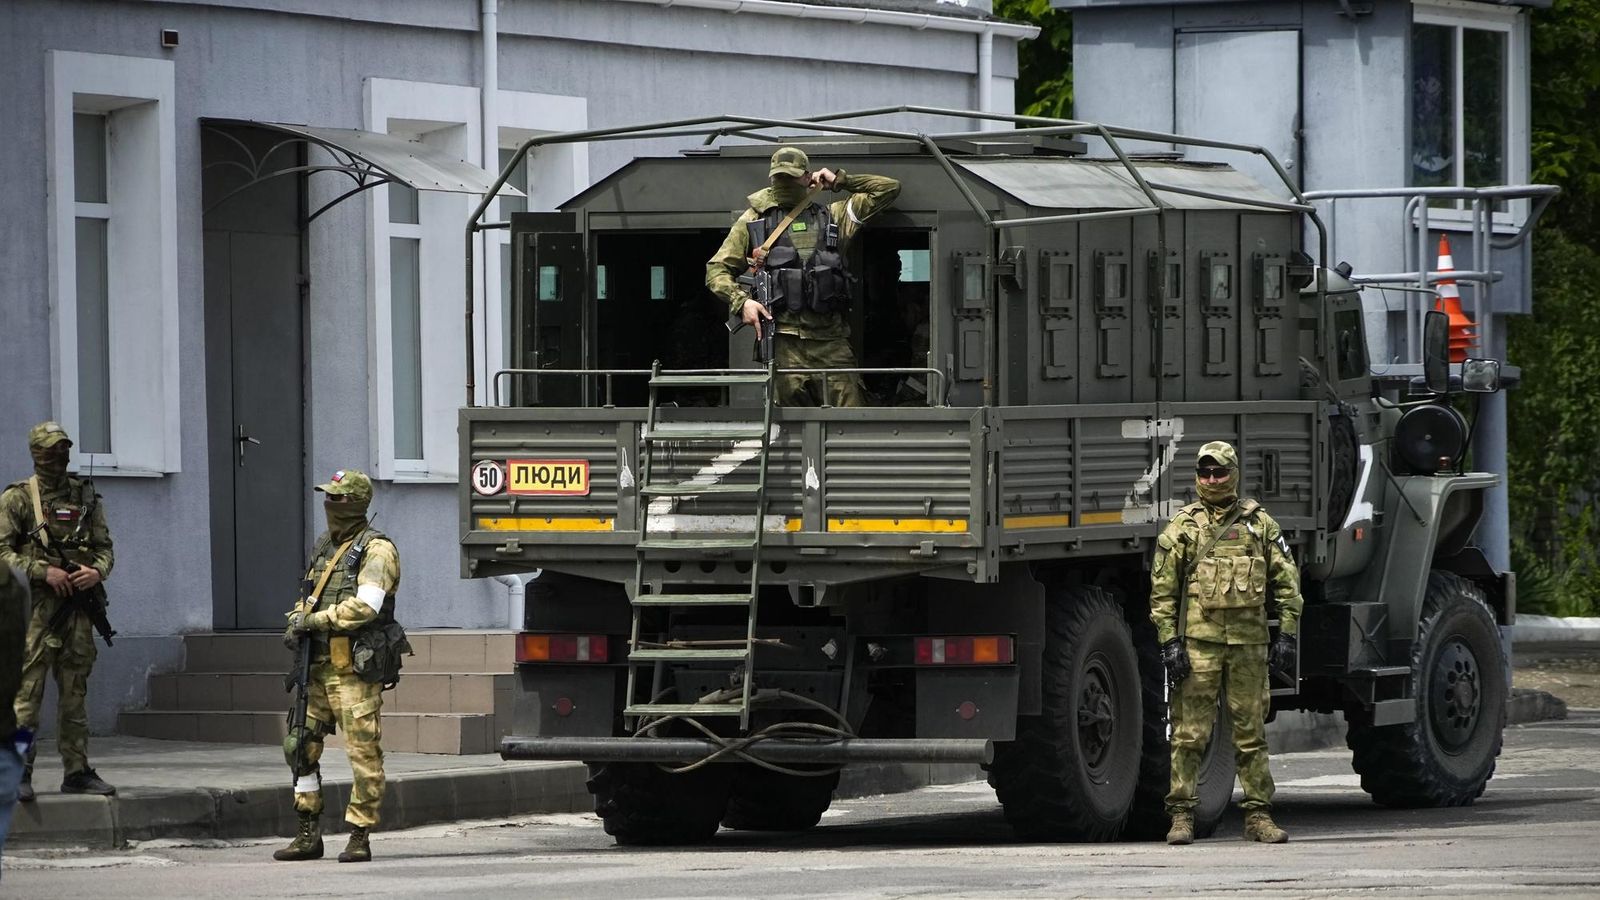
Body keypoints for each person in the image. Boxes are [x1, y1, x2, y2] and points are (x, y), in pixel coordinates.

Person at [1149, 441, 1302, 845]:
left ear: (1233, 473)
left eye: (1219, 472)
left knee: (1251, 733)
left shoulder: (1259, 524)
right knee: (1188, 733)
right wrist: (1170, 643)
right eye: (1205, 472)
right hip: (1199, 645)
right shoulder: (1183, 527)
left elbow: (1287, 583)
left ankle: (1259, 816)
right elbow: (1162, 594)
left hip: (1249, 645)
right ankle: (1181, 815)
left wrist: (1286, 633)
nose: (1212, 479)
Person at [706, 146, 900, 407]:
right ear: (771, 179)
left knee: (851, 421)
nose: (784, 182)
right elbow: (716, 270)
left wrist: (840, 181)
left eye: (791, 176)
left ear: (808, 177)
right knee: (790, 431)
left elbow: (888, 189)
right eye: (779, 177)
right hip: (784, 343)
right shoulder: (754, 220)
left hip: (831, 341)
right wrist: (742, 303)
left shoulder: (835, 215)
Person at [274, 470, 400, 864]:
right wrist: (296, 618)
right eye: (329, 498)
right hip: (316, 665)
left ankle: (359, 833)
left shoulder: (377, 551)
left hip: (353, 670)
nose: (331, 506)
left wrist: (316, 621)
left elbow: (367, 606)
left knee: (363, 753)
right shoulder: (326, 545)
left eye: (339, 499)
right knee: (298, 747)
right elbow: (308, 596)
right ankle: (308, 830)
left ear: (359, 503)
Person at [2, 421, 115, 801]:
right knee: (26, 696)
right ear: (37, 453)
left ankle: (77, 771)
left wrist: (95, 571)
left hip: (78, 612)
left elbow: (105, 548)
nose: (59, 457)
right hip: (35, 613)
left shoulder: (85, 496)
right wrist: (42, 570)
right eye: (51, 451)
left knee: (74, 695)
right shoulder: (18, 499)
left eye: (64, 449)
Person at [1, 563, 31, 869]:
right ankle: (25, 768)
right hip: (6, 750)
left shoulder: (14, 584)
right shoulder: (16, 583)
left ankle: (78, 770)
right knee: (28, 706)